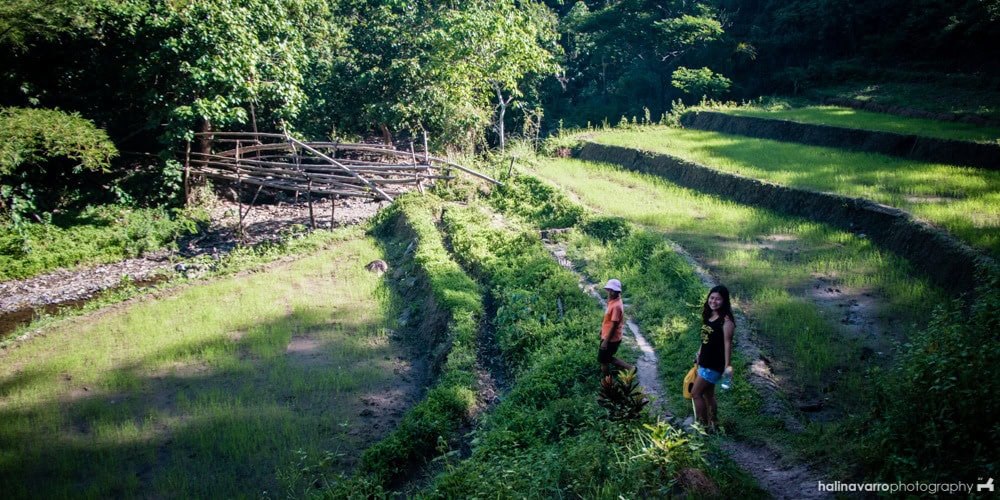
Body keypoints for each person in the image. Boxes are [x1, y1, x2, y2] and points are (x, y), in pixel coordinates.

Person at [691, 285, 735, 431]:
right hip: (704, 361)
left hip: (713, 365)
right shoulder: (710, 315)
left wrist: (727, 367)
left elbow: (728, 344)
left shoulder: (726, 321)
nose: (714, 301)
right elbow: (705, 338)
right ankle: (713, 423)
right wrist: (699, 352)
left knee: (696, 394)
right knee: (709, 394)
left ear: (724, 301)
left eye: (718, 299)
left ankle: (702, 426)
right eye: (712, 298)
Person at [599, 278, 634, 377]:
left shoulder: (616, 306)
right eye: (609, 290)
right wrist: (602, 330)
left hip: (611, 339)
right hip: (608, 336)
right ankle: (630, 368)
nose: (610, 292)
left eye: (612, 290)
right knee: (607, 358)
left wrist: (606, 341)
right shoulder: (612, 301)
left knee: (604, 361)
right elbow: (608, 320)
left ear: (617, 291)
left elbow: (614, 325)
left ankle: (607, 382)